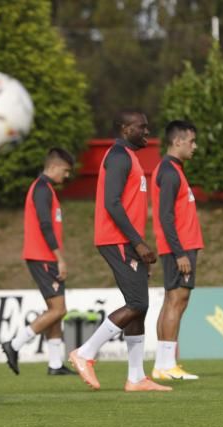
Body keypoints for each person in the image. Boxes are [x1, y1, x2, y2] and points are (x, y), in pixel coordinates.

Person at [67, 110, 171, 393]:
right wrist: (138, 243)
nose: (147, 132)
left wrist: (138, 242)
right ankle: (85, 353)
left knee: (140, 307)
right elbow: (112, 204)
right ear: (125, 129)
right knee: (136, 303)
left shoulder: (130, 157)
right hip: (117, 240)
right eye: (142, 127)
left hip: (125, 240)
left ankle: (136, 378)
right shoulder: (118, 157)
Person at [1, 147, 76, 376]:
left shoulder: (46, 189)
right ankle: (14, 344)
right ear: (53, 167)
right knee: (59, 310)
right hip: (43, 257)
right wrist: (59, 258)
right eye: (65, 171)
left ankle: (55, 364)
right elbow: (45, 225)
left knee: (53, 309)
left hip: (42, 256)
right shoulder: (42, 189)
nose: (67, 176)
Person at [151, 120, 203, 381]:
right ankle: (167, 364)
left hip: (180, 246)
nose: (195, 146)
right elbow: (165, 216)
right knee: (176, 301)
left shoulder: (173, 170)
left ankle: (163, 364)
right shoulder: (169, 172)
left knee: (172, 301)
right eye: (192, 141)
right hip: (179, 248)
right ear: (178, 141)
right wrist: (179, 252)